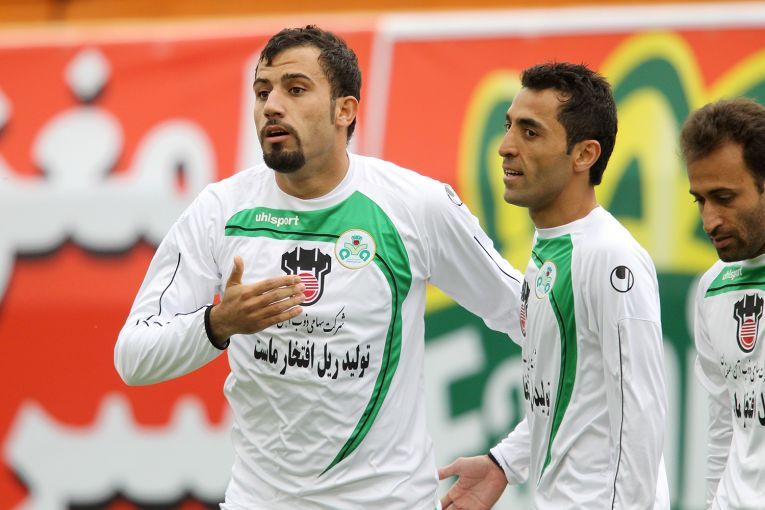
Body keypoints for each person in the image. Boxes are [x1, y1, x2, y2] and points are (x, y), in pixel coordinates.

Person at [114, 26, 524, 510]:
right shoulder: (220, 211)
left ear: (344, 110)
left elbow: (548, 328)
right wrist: (219, 324)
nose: (271, 106)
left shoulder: (416, 206)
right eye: (262, 92)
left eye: (295, 89)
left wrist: (510, 459)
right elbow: (133, 358)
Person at [439, 62, 669, 509]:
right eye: (508, 126)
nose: (505, 147)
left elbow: (640, 413)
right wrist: (504, 462)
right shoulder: (550, 246)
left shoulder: (610, 257)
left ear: (584, 155)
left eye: (530, 132)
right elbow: (570, 397)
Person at [681, 98, 765, 509]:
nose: (709, 220)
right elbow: (724, 429)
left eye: (724, 197)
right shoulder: (713, 287)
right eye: (700, 200)